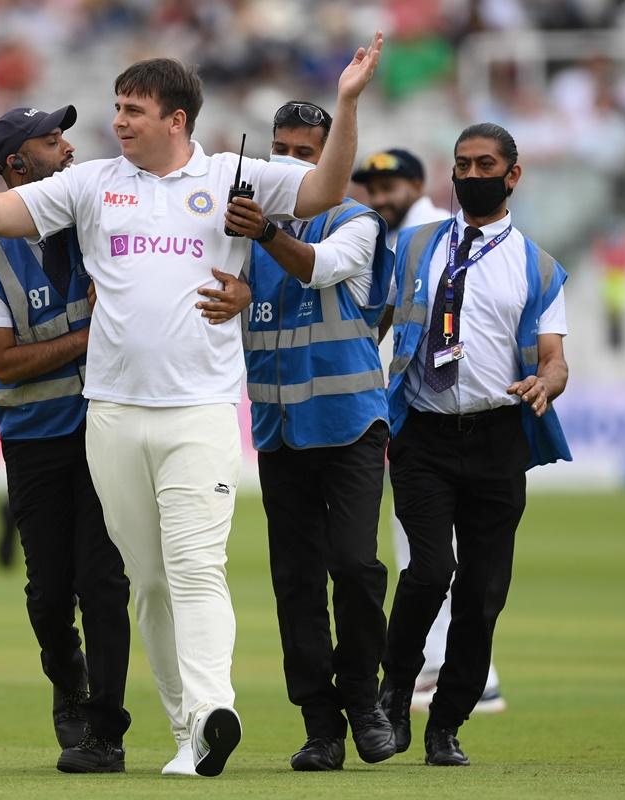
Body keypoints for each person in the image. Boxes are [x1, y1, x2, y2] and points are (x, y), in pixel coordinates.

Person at [0, 32, 383, 777]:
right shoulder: (91, 183)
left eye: (134, 110)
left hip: (201, 411)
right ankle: (189, 730)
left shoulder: (229, 175)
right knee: (149, 583)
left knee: (195, 566)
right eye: (117, 107)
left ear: (176, 119)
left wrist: (346, 102)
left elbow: (323, 192)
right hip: (114, 415)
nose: (118, 121)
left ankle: (216, 708)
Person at [378, 123, 571, 766]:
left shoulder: (537, 266)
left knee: (483, 591)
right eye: (461, 164)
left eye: (484, 164)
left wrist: (545, 385)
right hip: (423, 431)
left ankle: (447, 724)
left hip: (496, 436)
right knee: (429, 569)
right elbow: (368, 322)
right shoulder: (411, 247)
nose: (470, 174)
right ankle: (395, 691)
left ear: (512, 175)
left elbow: (555, 360)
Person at [0, 105, 133, 773]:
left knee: (104, 583)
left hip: (106, 429)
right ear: (17, 165)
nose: (68, 147)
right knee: (51, 593)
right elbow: (4, 361)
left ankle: (106, 731)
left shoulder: (101, 223)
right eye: (51, 140)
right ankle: (67, 678)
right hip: (35, 442)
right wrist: (92, 335)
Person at [224, 100, 396, 771]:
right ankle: (320, 726)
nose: (287, 163)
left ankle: (363, 700)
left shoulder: (356, 222)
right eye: (280, 149)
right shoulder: (242, 235)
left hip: (350, 427)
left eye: (305, 153)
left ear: (332, 159)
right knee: (296, 582)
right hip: (280, 432)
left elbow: (316, 268)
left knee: (355, 566)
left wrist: (264, 230)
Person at [353, 148, 506, 715]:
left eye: (389, 183)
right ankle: (459, 669)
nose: (377, 194)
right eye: (369, 185)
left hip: (428, 413)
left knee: (430, 553)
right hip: (424, 411)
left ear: (417, 184)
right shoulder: (413, 233)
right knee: (435, 551)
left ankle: (459, 670)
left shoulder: (420, 235)